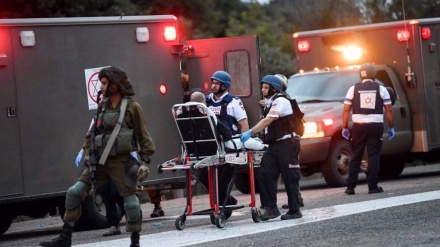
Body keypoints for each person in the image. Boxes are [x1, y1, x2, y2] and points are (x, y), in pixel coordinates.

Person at [40, 66, 155, 247]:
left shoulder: (133, 107)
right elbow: (92, 134)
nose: (100, 87)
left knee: (131, 202)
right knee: (74, 193)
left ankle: (135, 242)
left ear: (115, 85)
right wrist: (87, 154)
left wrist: (145, 161)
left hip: (121, 162)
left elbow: (144, 136)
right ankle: (65, 237)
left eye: (103, 83)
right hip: (99, 162)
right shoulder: (102, 106)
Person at [240, 75, 302, 221]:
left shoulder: (281, 100)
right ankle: (271, 209)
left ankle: (295, 210)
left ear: (274, 88)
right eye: (263, 87)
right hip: (274, 145)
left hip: (287, 144)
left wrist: (250, 132)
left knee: (290, 177)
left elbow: (268, 120)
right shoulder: (271, 102)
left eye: (266, 87)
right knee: (265, 173)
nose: (263, 90)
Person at [342, 63, 395, 195]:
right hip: (375, 126)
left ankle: (350, 187)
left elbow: (346, 109)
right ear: (374, 74)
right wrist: (391, 126)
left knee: (356, 155)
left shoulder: (352, 89)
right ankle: (373, 186)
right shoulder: (381, 89)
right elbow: (388, 108)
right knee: (373, 155)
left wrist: (345, 127)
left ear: (361, 75)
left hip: (358, 127)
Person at [201, 71, 250, 209]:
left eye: (217, 83)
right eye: (213, 83)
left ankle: (223, 208)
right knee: (204, 177)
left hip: (230, 147)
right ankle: (227, 201)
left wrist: (242, 146)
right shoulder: (205, 101)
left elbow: (243, 124)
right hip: (211, 148)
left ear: (225, 86)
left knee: (222, 181)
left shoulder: (233, 102)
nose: (214, 86)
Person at [272, 74, 305, 210]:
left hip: (288, 140)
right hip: (292, 139)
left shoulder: (283, 100)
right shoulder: (287, 98)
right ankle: (297, 197)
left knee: (289, 172)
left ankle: (296, 199)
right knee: (291, 171)